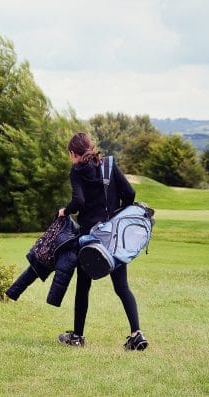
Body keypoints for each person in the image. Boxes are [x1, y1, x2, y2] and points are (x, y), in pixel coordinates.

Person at [57, 132, 148, 351]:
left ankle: (77, 337)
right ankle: (137, 334)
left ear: (73, 153)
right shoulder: (109, 164)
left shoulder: (77, 171)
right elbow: (130, 192)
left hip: (90, 238)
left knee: (83, 287)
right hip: (113, 237)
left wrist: (64, 211)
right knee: (122, 287)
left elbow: (78, 201)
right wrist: (116, 215)